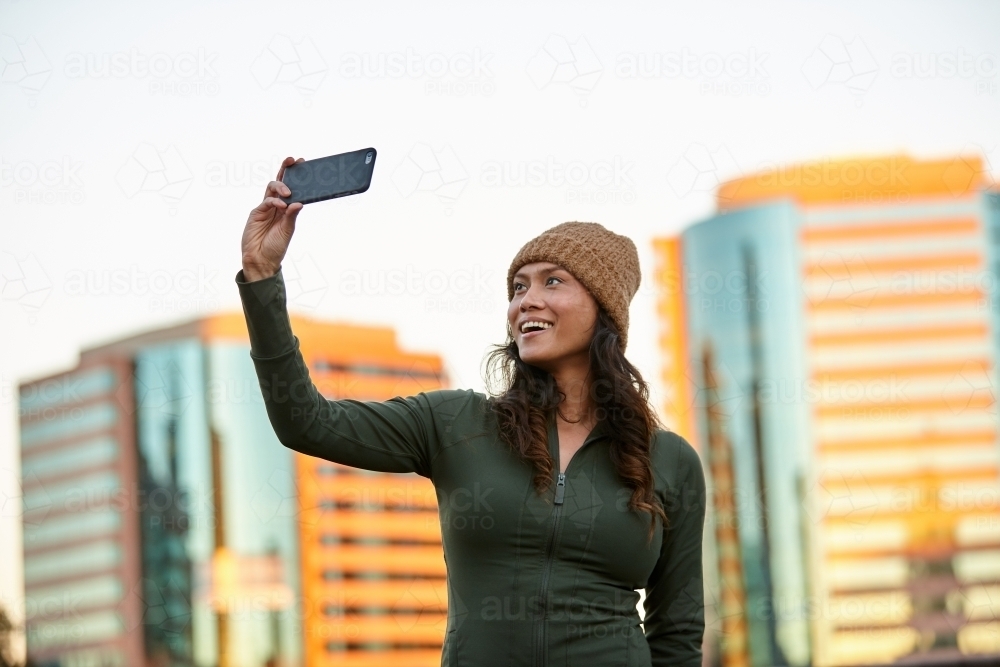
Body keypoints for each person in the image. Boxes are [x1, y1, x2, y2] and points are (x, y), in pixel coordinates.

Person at [237, 157, 707, 667]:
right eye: (518, 287)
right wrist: (263, 277)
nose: (526, 300)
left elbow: (677, 630)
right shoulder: (456, 423)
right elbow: (306, 422)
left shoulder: (669, 461)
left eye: (553, 282)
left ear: (604, 310)